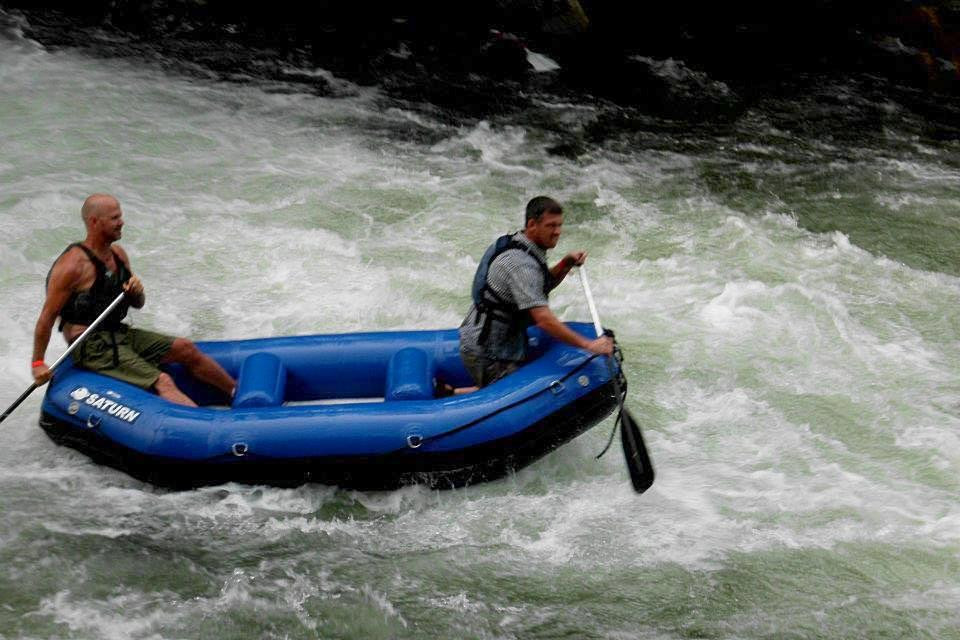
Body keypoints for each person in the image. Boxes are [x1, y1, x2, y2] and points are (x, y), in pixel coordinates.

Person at [31, 193, 235, 407]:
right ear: (94, 222)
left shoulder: (118, 255)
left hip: (118, 332)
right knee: (163, 381)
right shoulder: (71, 266)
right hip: (90, 345)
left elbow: (138, 303)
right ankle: (204, 431)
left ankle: (235, 393)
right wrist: (37, 363)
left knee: (185, 348)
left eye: (120, 216)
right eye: (115, 218)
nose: (122, 222)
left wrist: (136, 292)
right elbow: (46, 318)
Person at [458, 195, 613, 389]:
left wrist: (565, 264)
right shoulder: (521, 265)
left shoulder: (519, 243)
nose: (558, 232)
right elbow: (543, 320)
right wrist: (590, 346)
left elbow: (535, 286)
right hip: (488, 352)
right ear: (532, 224)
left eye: (559, 225)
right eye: (551, 226)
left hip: (492, 340)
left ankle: (450, 392)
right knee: (511, 398)